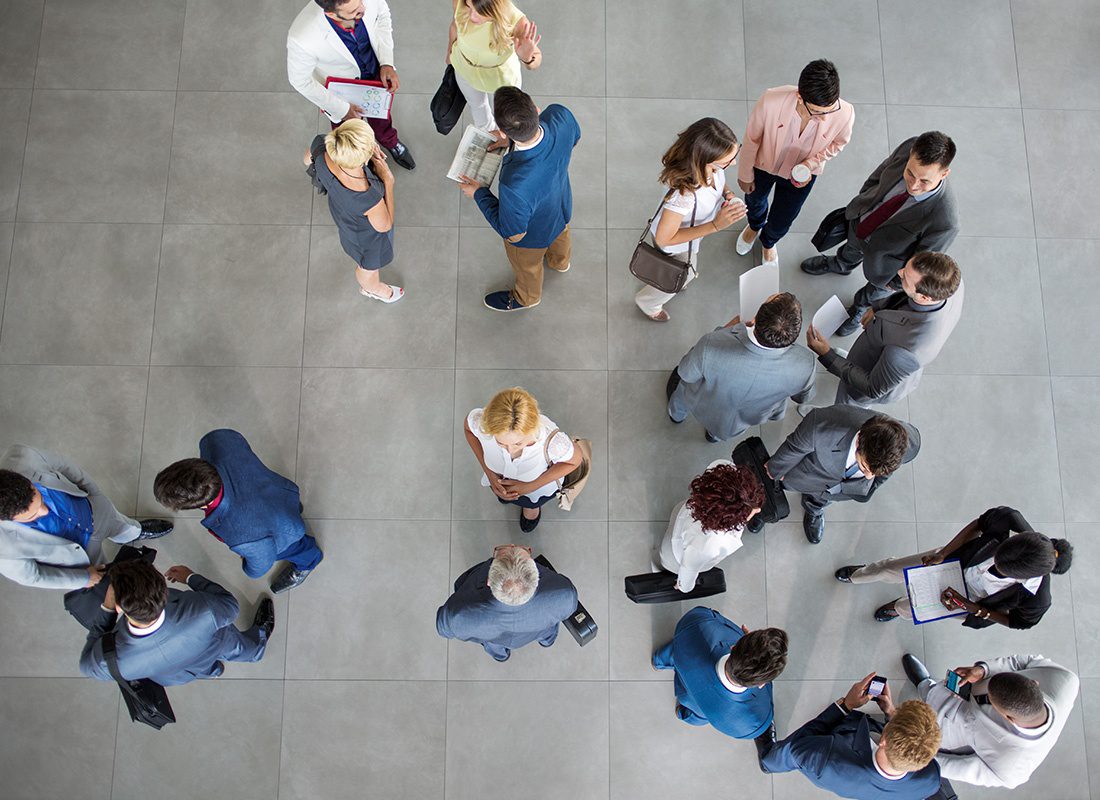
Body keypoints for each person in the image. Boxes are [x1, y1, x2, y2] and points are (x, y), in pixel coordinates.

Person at [801, 131, 959, 336]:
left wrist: (894, 284)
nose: (913, 185)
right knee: (849, 250)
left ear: (944, 173)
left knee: (875, 292)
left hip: (889, 265)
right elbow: (880, 173)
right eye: (910, 173)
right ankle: (841, 265)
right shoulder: (908, 146)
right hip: (864, 223)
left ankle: (859, 308)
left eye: (924, 181)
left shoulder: (945, 221)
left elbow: (921, 265)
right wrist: (864, 199)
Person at [835, 506, 1073, 625]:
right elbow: (978, 524)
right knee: (892, 568)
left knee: (915, 608)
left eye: (1002, 571)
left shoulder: (1038, 599)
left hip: (972, 600)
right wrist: (945, 552)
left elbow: (1016, 622)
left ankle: (897, 608)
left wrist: (971, 607)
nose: (994, 566)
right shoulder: (1010, 520)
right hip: (955, 559)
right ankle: (860, 574)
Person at [153, 429, 324, 595]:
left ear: (194, 505)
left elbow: (261, 563)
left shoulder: (240, 533)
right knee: (290, 509)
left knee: (297, 548)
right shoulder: (219, 443)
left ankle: (308, 561)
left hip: (284, 531)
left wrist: (247, 566)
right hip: (281, 492)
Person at [458, 87, 580, 312]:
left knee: (528, 267)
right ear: (535, 109)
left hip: (532, 238)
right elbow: (573, 138)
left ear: (502, 130)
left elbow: (513, 232)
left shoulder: (514, 184)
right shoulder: (560, 115)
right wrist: (513, 141)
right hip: (561, 207)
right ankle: (560, 262)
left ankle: (527, 297)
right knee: (561, 238)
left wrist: (479, 193)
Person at [804, 251, 963, 410]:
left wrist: (827, 354)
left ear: (924, 297)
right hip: (881, 350)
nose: (899, 273)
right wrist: (878, 308)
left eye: (905, 277)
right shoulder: (951, 282)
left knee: (845, 407)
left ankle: (830, 418)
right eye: (905, 268)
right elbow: (904, 298)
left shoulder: (906, 350)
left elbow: (872, 387)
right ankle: (850, 362)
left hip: (869, 381)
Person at [898, 652, 1080, 790]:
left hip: (952, 728)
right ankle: (925, 685)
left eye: (990, 700)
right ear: (1034, 683)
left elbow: (964, 768)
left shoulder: (1012, 764)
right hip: (953, 694)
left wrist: (919, 758)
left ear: (1008, 718)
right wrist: (984, 670)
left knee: (913, 730)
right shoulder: (1065, 680)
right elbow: (1023, 661)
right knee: (933, 692)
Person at [0, 445, 173, 590]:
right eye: (33, 515)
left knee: (123, 525)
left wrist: (93, 492)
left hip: (95, 511)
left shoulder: (22, 456)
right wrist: (82, 578)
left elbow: (65, 466)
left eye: (40, 498)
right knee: (110, 580)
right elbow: (32, 576)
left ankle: (133, 533)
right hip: (83, 555)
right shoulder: (3, 548)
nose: (44, 511)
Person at [79, 560, 274, 686]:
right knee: (234, 647)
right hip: (211, 645)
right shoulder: (203, 610)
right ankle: (256, 651)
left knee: (199, 668)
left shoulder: (106, 664)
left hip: (175, 674)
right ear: (164, 587)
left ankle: (213, 672)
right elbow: (230, 606)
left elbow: (87, 661)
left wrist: (108, 609)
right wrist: (191, 578)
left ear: (119, 606)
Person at [736, 60, 854, 267]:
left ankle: (769, 242)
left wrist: (812, 163)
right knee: (754, 201)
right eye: (818, 111)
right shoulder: (771, 100)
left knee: (785, 216)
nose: (825, 118)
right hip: (764, 165)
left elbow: (838, 143)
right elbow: (752, 139)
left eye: (830, 110)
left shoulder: (845, 113)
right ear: (800, 97)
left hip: (803, 174)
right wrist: (745, 173)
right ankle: (754, 226)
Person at [633, 117, 747, 322]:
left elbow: (719, 183)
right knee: (679, 276)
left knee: (685, 272)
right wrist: (715, 225)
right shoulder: (683, 194)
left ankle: (676, 282)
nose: (733, 163)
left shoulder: (710, 169)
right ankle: (649, 302)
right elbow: (665, 238)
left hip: (691, 238)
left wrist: (728, 195)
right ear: (705, 160)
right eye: (727, 161)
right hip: (677, 246)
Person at [759, 673, 943, 800]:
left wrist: (845, 705)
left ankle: (766, 763)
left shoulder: (825, 755)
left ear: (884, 740)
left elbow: (797, 746)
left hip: (827, 761)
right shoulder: (930, 779)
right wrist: (890, 713)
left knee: (778, 756)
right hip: (857, 786)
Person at [668, 292, 815, 442]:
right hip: (740, 420)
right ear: (794, 333)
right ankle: (713, 436)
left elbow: (686, 372)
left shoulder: (712, 344)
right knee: (725, 427)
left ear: (755, 319)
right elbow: (802, 397)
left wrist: (727, 329)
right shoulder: (806, 363)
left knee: (683, 388)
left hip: (702, 400)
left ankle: (676, 415)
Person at [287, 0, 416, 170]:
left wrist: (386, 62)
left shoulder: (362, 3)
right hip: (341, 94)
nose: (364, 8)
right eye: (355, 11)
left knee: (381, 115)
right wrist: (341, 108)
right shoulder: (302, 37)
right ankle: (362, 159)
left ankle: (389, 141)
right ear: (331, 14)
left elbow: (382, 14)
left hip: (374, 72)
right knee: (348, 133)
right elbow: (300, 80)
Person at [766, 407, 919, 544]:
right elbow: (793, 450)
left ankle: (814, 509)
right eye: (864, 467)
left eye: (874, 473)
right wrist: (775, 471)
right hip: (812, 472)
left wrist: (873, 484)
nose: (868, 476)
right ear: (859, 440)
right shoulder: (820, 426)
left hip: (842, 488)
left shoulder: (907, 445)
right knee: (773, 485)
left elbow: (880, 474)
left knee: (823, 499)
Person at [652, 607, 787, 742]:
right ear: (761, 684)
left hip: (686, 656)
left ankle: (659, 660)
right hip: (698, 706)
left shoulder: (698, 622)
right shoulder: (753, 723)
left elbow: (701, 614)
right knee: (697, 715)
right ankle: (683, 714)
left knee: (681, 647)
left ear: (734, 646)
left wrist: (740, 636)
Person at [305, 119, 402, 302]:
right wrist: (388, 181)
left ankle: (373, 288)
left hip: (343, 216)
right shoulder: (368, 198)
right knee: (367, 267)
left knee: (364, 261)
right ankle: (375, 290)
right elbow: (385, 225)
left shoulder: (321, 146)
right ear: (365, 159)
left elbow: (306, 159)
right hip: (365, 239)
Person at [463, 387, 581, 532]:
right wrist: (489, 473)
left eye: (518, 443)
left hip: (537, 488)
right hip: (498, 479)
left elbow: (575, 460)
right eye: (501, 443)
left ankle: (531, 507)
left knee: (532, 500)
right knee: (503, 495)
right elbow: (468, 429)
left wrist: (531, 486)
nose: (510, 450)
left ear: (532, 430)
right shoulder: (481, 423)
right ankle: (508, 498)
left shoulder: (552, 443)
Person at [435, 544, 577, 662]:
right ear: (536, 579)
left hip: (494, 638)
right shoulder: (564, 595)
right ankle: (547, 641)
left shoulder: (458, 618)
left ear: (489, 582)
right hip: (540, 626)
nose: (512, 545)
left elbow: (443, 629)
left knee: (494, 646)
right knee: (547, 632)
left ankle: (501, 656)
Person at [656, 461, 764, 592]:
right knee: (664, 562)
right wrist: (682, 586)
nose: (757, 511)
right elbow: (687, 578)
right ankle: (657, 566)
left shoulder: (721, 468)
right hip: (674, 553)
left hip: (682, 511)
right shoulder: (708, 546)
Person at [446, 0, 542, 132]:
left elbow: (535, 62)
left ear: (495, 9)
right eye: (469, 7)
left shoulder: (517, 21)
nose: (472, 16)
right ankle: (486, 132)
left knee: (504, 114)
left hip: (500, 79)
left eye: (479, 12)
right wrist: (450, 52)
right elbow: (454, 25)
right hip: (465, 69)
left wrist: (527, 58)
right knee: (477, 106)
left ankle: (502, 138)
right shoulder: (461, 2)